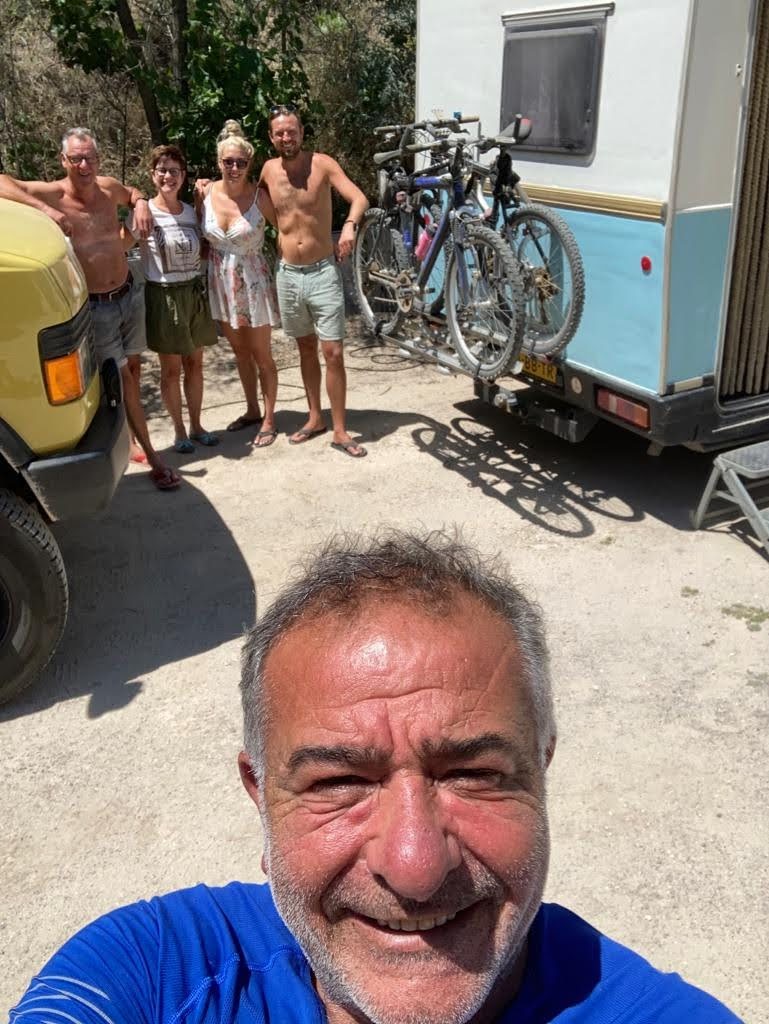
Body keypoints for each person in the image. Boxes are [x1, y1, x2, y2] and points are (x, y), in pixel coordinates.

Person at [9, 530, 741, 1024]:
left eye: (471, 773)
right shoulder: (155, 970)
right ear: (260, 797)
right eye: (338, 784)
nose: (415, 868)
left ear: (540, 772)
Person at [0, 127, 181, 491]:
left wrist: (140, 203)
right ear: (63, 160)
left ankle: (130, 439)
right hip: (97, 308)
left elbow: (132, 192)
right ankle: (155, 459)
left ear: (98, 160)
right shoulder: (53, 193)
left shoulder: (108, 187)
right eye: (76, 159)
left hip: (127, 294)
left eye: (90, 158)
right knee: (123, 378)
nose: (84, 165)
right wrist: (45, 210)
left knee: (133, 369)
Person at [259, 104, 370, 458]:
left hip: (322, 272)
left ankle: (340, 429)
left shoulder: (322, 164)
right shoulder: (267, 170)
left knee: (332, 352)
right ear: (271, 137)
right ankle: (315, 418)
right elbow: (246, 194)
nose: (286, 137)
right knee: (305, 347)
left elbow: (359, 198)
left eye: (291, 131)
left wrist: (349, 226)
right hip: (288, 274)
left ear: (302, 132)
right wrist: (206, 188)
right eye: (280, 133)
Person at [125, 144, 219, 454]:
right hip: (164, 296)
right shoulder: (144, 212)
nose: (168, 176)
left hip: (193, 293)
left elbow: (202, 249)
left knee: (195, 364)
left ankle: (197, 425)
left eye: (174, 171)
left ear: (183, 175)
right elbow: (121, 245)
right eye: (162, 170)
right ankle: (179, 431)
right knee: (171, 369)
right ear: (153, 175)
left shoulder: (191, 212)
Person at [200, 119, 280, 449]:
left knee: (262, 354)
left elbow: (286, 230)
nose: (234, 168)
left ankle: (270, 418)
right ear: (219, 162)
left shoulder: (260, 197)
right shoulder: (205, 193)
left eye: (241, 163)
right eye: (228, 162)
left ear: (250, 164)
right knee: (240, 352)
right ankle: (251, 409)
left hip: (254, 281)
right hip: (220, 282)